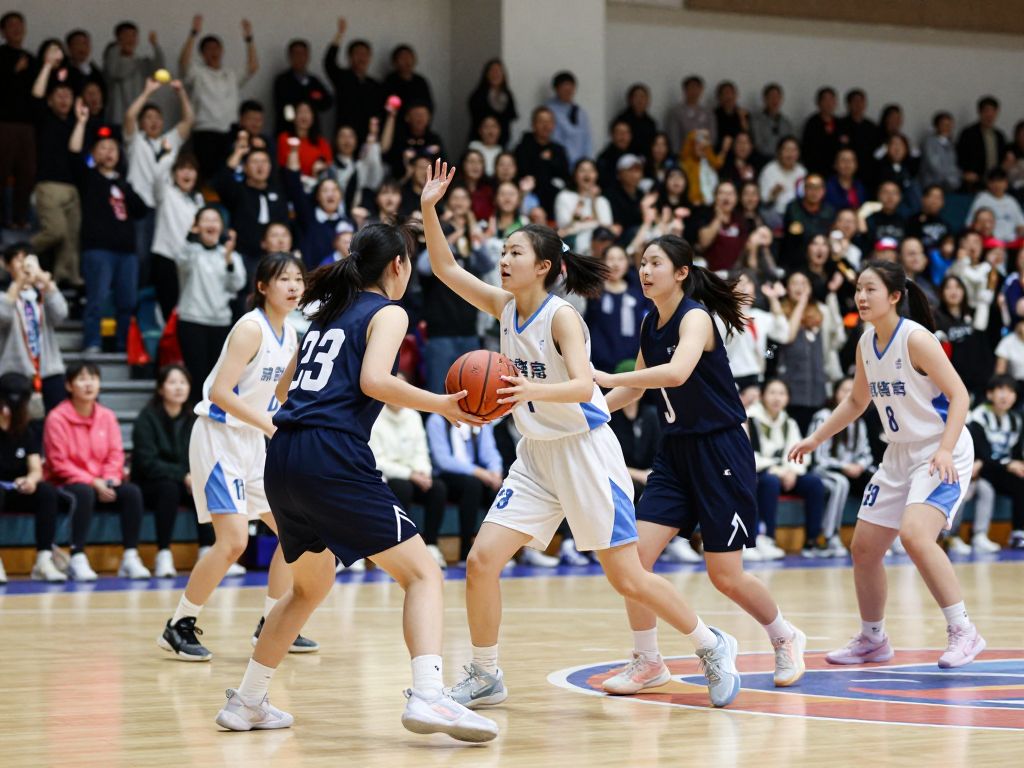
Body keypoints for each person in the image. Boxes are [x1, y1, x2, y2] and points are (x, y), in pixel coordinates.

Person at [423, 160, 749, 711]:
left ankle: (710, 644)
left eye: (514, 253)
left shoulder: (562, 318)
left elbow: (581, 386)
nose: (503, 260)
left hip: (584, 452)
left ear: (544, 267)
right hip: (536, 456)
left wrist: (524, 392)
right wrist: (430, 209)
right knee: (481, 561)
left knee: (627, 577)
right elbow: (447, 269)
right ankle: (485, 672)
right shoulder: (504, 306)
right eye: (502, 252)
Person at [214, 224, 498, 742]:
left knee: (306, 589)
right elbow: (373, 381)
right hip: (330, 454)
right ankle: (430, 697)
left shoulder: (325, 315)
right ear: (397, 266)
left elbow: (283, 387)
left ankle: (248, 702)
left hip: (283, 453)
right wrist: (442, 404)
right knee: (422, 575)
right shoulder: (388, 311)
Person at [592, 234, 806, 695]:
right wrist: (591, 412)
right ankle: (648, 661)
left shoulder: (696, 319)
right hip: (676, 452)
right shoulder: (652, 321)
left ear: (682, 273)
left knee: (724, 574)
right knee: (634, 562)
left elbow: (675, 374)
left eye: (655, 263)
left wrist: (607, 374)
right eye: (642, 263)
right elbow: (637, 389)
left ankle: (784, 635)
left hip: (720, 450)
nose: (645, 271)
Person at [790, 260, 985, 669]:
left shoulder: (916, 339)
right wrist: (816, 437)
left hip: (939, 448)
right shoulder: (865, 343)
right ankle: (873, 639)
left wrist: (946, 449)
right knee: (864, 548)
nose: (861, 297)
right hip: (898, 454)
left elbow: (960, 396)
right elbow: (857, 401)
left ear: (895, 296)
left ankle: (964, 631)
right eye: (858, 289)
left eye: (870, 289)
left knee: (916, 536)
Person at [159, 253, 318, 662]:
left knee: (291, 532)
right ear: (263, 287)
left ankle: (272, 622)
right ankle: (179, 624)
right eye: (284, 279)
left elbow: (282, 395)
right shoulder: (250, 329)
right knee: (233, 541)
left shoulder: (293, 336)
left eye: (298, 278)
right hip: (218, 437)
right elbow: (220, 393)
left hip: (252, 441)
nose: (293, 286)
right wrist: (270, 426)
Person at [43, 362, 149, 580]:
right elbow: (58, 462)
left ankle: (130, 556)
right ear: (70, 386)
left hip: (103, 482)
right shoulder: (57, 417)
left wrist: (110, 479)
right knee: (83, 492)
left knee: (132, 492)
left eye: (93, 378)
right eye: (82, 379)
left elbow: (115, 453)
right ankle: (77, 556)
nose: (88, 384)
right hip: (66, 484)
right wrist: (93, 481)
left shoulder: (107, 416)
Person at [68, 98, 148, 354]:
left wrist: (125, 188)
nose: (108, 152)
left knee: (128, 301)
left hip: (127, 252)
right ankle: (92, 342)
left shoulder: (124, 182)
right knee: (97, 299)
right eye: (102, 148)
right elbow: (73, 154)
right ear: (94, 153)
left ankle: (124, 345)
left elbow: (141, 210)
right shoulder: (89, 178)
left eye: (113, 147)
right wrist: (81, 123)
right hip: (98, 249)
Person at [131, 365, 214, 578]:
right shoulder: (147, 418)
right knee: (169, 489)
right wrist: (182, 475)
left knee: (205, 486)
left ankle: (208, 551)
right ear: (160, 388)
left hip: (185, 481)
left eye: (183, 382)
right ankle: (163, 553)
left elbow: (201, 453)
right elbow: (147, 462)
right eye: (172, 382)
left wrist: (193, 475)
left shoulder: (194, 418)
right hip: (151, 483)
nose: (179, 387)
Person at [369, 385, 448, 570]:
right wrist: (410, 475)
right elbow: (377, 461)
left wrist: (423, 472)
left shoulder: (413, 416)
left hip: (414, 475)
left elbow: (422, 451)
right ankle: (395, 548)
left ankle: (432, 546)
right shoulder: (373, 416)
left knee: (437, 488)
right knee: (401, 487)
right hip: (388, 477)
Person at [747, 379, 826, 557]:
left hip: (786, 473)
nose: (777, 398)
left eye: (782, 393)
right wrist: (779, 471)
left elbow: (800, 452)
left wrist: (791, 471)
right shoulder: (750, 419)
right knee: (770, 481)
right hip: (761, 474)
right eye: (772, 393)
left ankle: (812, 541)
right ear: (762, 396)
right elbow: (749, 457)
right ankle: (767, 538)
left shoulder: (789, 422)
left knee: (814, 483)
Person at [172, 207, 247, 389]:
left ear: (222, 227)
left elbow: (237, 285)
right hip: (192, 320)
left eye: (215, 220)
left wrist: (228, 259)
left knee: (217, 378)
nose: (211, 224)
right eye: (206, 220)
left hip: (221, 322)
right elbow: (182, 262)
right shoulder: (190, 251)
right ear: (197, 227)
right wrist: (190, 236)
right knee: (195, 376)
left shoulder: (231, 255)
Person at [0, 372, 64, 583]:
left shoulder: (26, 430)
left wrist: (31, 480)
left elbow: (36, 467)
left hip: (17, 489)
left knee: (46, 491)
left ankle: (44, 559)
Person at [179, 15, 259, 179]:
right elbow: (183, 62)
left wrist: (249, 40)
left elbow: (252, 67)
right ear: (202, 53)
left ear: (222, 50)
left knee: (229, 174)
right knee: (207, 176)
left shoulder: (230, 74)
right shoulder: (198, 73)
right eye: (209, 48)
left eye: (217, 48)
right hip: (205, 132)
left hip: (230, 132)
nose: (213, 52)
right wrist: (193, 34)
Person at [810, 377, 876, 558]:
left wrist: (859, 466)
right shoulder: (823, 416)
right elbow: (819, 457)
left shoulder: (858, 421)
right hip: (824, 470)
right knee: (840, 483)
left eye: (851, 391)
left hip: (851, 471)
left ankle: (880, 538)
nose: (847, 395)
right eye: (843, 390)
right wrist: (844, 466)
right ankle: (830, 536)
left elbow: (866, 454)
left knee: (878, 480)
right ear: (835, 393)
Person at [425, 414, 503, 566]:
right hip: (446, 476)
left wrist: (495, 472)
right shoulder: (437, 419)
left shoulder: (481, 419)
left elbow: (490, 452)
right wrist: (478, 472)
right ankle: (465, 550)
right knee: (472, 485)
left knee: (500, 488)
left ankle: (495, 550)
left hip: (476, 475)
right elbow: (443, 460)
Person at [0, 244, 68, 411]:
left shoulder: (44, 294)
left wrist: (46, 282)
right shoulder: (4, 296)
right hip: (14, 372)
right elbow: (3, 317)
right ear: (8, 266)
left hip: (49, 371)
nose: (24, 265)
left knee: (56, 421)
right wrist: (18, 284)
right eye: (19, 260)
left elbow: (61, 314)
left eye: (28, 260)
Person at [967, 375, 1024, 550]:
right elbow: (981, 453)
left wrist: (1017, 464)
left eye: (1011, 391)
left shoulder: (1015, 420)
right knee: (986, 481)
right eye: (1001, 390)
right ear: (990, 394)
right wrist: (1009, 464)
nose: (1005, 395)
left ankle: (1018, 533)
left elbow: (1015, 452)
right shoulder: (978, 417)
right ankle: (974, 535)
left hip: (1001, 469)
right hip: (982, 467)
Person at [151, 154, 204, 320]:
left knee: (188, 306)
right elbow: (158, 175)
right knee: (168, 306)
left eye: (191, 169)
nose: (187, 174)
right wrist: (168, 155)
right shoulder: (166, 192)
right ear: (174, 174)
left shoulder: (198, 199)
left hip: (190, 259)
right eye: (182, 169)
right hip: (166, 256)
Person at [584, 245, 647, 374]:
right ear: (602, 262)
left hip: (632, 362)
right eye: (611, 259)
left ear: (627, 262)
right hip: (599, 363)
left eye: (620, 259)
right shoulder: (593, 292)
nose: (616, 264)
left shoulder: (638, 293)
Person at [0, 11, 36, 230]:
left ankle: (20, 220)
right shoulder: (1, 55)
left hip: (27, 125)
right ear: (3, 31)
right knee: (2, 172)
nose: (16, 29)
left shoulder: (31, 58)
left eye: (19, 25)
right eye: (11, 26)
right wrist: (14, 71)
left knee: (27, 174)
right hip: (4, 123)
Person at [323, 17, 382, 142]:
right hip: (345, 136)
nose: (362, 58)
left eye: (365, 54)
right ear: (349, 57)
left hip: (369, 139)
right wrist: (340, 34)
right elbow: (329, 62)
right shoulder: (342, 77)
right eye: (357, 54)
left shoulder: (375, 85)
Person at [103, 21, 165, 127]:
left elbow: (159, 70)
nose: (130, 39)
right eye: (126, 36)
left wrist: (155, 46)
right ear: (118, 39)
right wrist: (118, 48)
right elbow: (117, 72)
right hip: (118, 118)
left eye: (133, 36)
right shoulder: (111, 60)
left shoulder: (141, 62)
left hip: (140, 118)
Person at [513, 107, 569, 215]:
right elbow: (522, 173)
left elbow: (565, 175)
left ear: (554, 125)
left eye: (549, 122)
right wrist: (541, 161)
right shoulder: (523, 148)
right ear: (533, 125)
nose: (545, 125)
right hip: (530, 197)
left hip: (554, 197)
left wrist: (550, 161)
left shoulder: (559, 150)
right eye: (541, 121)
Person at [272, 39, 333, 136]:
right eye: (296, 54)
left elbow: (327, 102)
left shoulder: (314, 81)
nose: (300, 58)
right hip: (288, 131)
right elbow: (283, 105)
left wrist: (313, 103)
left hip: (312, 133)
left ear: (308, 56)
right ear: (290, 57)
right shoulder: (282, 80)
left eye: (303, 54)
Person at [957, 96, 1007, 191]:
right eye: (986, 111)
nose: (989, 115)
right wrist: (965, 173)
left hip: (995, 181)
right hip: (975, 181)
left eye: (993, 112)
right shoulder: (968, 133)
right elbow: (960, 156)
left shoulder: (999, 135)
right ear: (979, 112)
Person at [546, 71, 592, 167]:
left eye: (570, 89)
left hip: (580, 165)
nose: (568, 93)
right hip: (559, 163)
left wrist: (588, 162)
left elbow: (587, 139)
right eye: (564, 89)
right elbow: (553, 139)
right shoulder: (549, 111)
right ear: (556, 89)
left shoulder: (580, 112)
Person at [467, 59, 517, 147]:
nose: (496, 74)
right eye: (493, 71)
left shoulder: (508, 95)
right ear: (486, 74)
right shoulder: (478, 95)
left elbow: (511, 116)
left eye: (499, 71)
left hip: (502, 142)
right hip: (480, 141)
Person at [759, 136, 806, 217]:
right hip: (776, 212)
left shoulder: (802, 171)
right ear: (779, 152)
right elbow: (764, 201)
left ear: (798, 153)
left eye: (793, 150)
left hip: (797, 213)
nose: (790, 154)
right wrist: (773, 194)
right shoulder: (769, 170)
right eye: (786, 150)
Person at [668, 75, 713, 155]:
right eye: (691, 88)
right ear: (684, 90)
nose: (694, 91)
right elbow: (674, 137)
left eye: (697, 88)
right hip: (683, 156)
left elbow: (712, 135)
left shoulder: (708, 112)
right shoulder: (676, 112)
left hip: (704, 155)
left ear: (701, 90)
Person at [919, 112, 960, 193]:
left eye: (949, 125)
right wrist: (951, 178)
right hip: (931, 184)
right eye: (944, 124)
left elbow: (954, 164)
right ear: (936, 126)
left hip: (950, 185)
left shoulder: (951, 144)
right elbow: (934, 166)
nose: (947, 127)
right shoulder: (929, 142)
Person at [750, 83, 793, 160]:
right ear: (765, 99)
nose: (774, 100)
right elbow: (758, 145)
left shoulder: (786, 123)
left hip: (783, 160)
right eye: (771, 97)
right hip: (762, 159)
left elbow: (790, 144)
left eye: (777, 97)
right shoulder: (756, 120)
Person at [614, 83, 657, 158]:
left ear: (648, 100)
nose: (640, 100)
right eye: (636, 97)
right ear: (630, 100)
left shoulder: (651, 122)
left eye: (643, 97)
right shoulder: (622, 120)